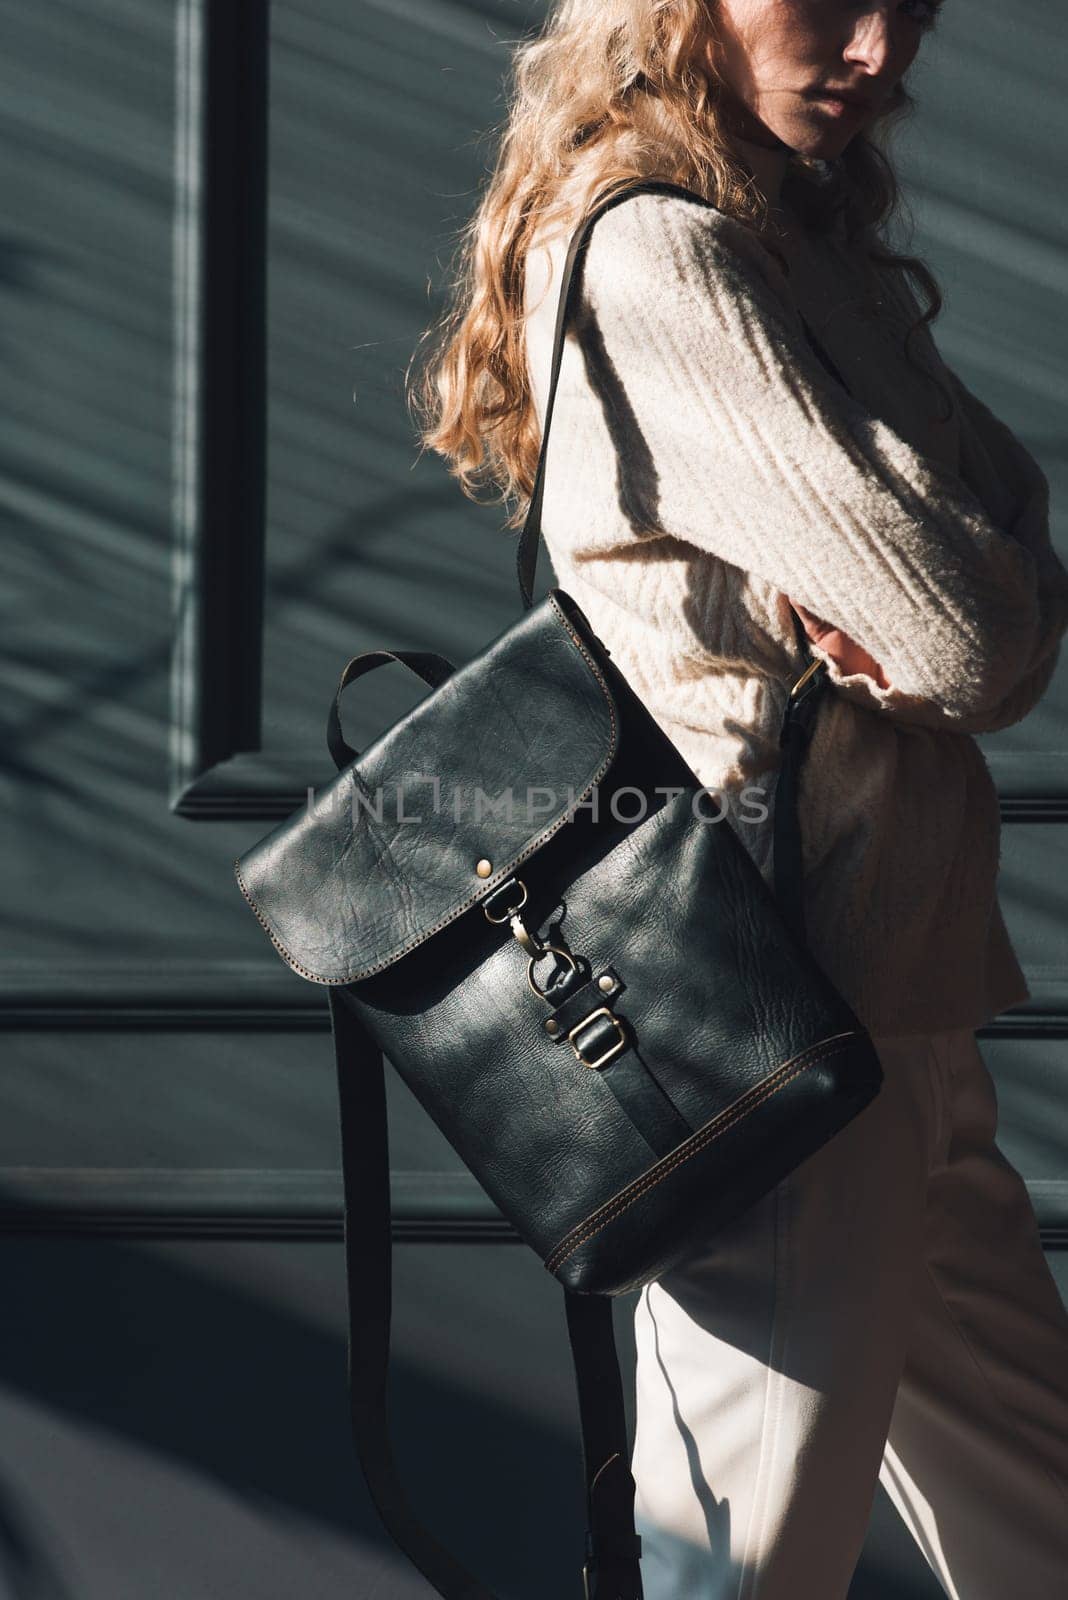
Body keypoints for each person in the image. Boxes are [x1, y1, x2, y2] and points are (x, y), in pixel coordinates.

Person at [413, 2, 1068, 1594]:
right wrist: (902, 599)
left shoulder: (792, 247)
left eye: (910, 3)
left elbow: (1009, 556)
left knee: (1037, 1523)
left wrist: (941, 590)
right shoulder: (659, 261)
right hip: (777, 999)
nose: (876, 46)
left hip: (894, 993)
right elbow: (973, 636)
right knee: (742, 1566)